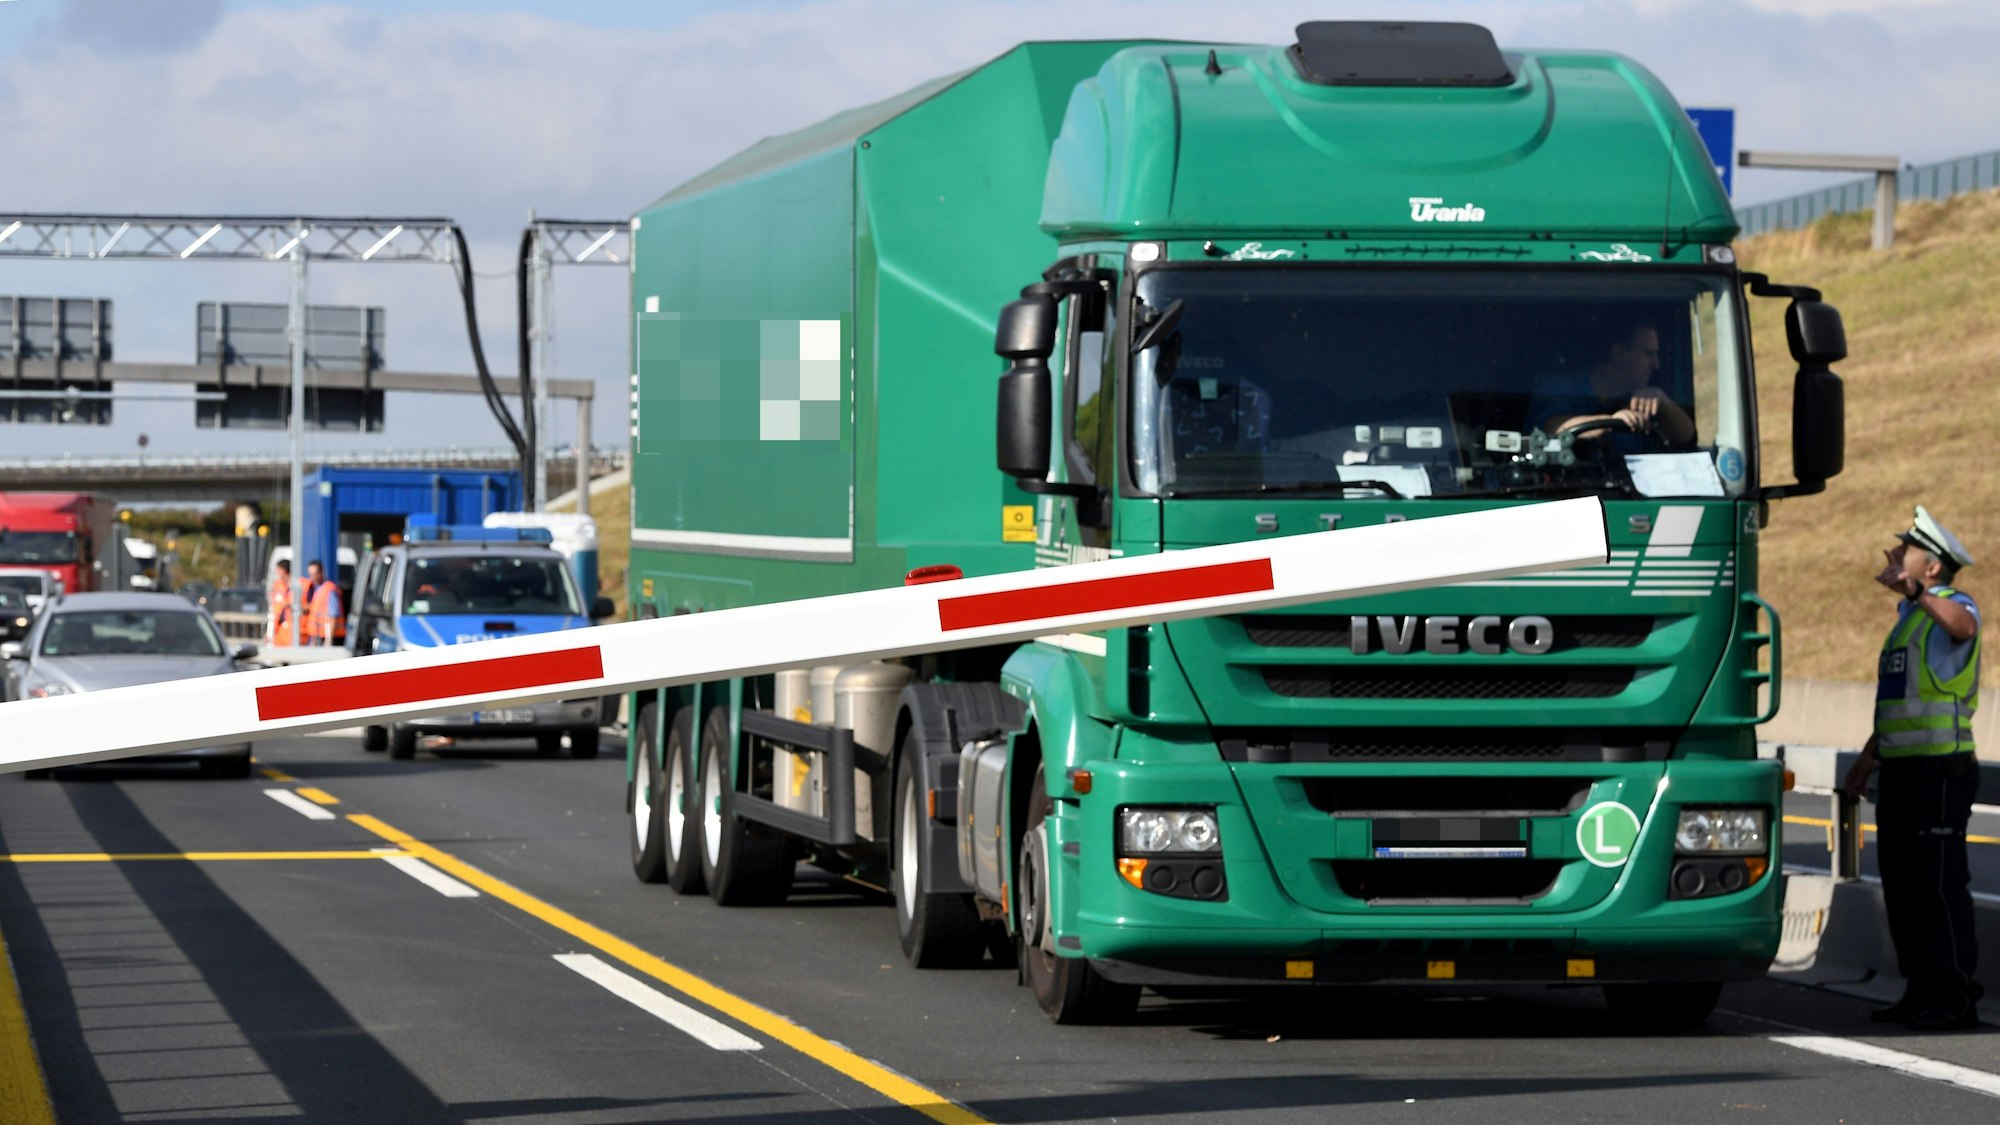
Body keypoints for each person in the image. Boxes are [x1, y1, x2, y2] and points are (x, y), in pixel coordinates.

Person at [1843, 505, 1983, 1031]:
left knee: (1939, 886)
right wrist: (1867, 757)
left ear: (1931, 568)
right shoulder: (1909, 622)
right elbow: (1902, 699)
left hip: (1940, 771)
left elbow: (1965, 626)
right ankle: (1921, 991)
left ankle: (1954, 998)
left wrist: (1917, 596)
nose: (1896, 556)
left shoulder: (1949, 604)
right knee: (1903, 888)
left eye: (1908, 552)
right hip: (1902, 771)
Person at [1530, 321, 1695, 453]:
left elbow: (1685, 437)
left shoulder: (1643, 402)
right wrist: (1613, 422)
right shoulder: (1559, 389)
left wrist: (1661, 399)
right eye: (1648, 354)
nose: (1656, 364)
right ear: (1618, 354)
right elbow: (1553, 429)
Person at [302, 559, 346, 647]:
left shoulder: (329, 590)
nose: (313, 577)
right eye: (311, 574)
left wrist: (329, 640)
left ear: (322, 572)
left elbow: (334, 615)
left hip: (328, 637)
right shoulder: (318, 590)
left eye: (315, 573)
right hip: (318, 636)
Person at [265, 559, 294, 646]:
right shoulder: (278, 585)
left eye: (278, 570)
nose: (277, 573)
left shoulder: (296, 586)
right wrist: (269, 632)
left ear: (283, 570)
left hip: (292, 630)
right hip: (279, 630)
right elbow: (275, 611)